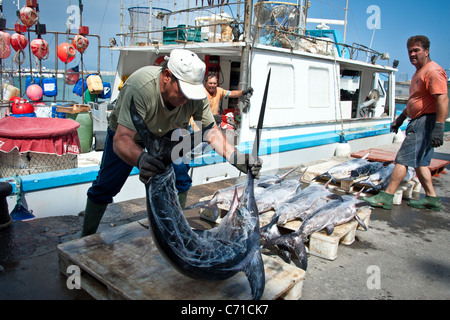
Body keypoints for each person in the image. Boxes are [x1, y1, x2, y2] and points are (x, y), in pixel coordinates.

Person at [81, 49, 262, 237]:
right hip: (128, 135)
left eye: (191, 93)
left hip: (168, 132)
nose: (186, 100)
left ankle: (174, 232)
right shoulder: (140, 87)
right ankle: (84, 238)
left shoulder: (194, 97)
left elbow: (211, 132)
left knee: (181, 179)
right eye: (183, 91)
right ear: (167, 76)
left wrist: (237, 158)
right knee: (105, 187)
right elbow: (121, 139)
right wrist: (141, 159)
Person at [363, 35, 448, 211]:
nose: (412, 54)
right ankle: (432, 199)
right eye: (410, 51)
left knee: (402, 160)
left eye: (417, 50)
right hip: (418, 120)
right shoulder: (419, 72)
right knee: (421, 163)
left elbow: (443, 99)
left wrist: (439, 127)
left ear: (427, 51)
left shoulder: (433, 71)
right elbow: (415, 101)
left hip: (424, 123)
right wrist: (400, 119)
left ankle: (386, 196)